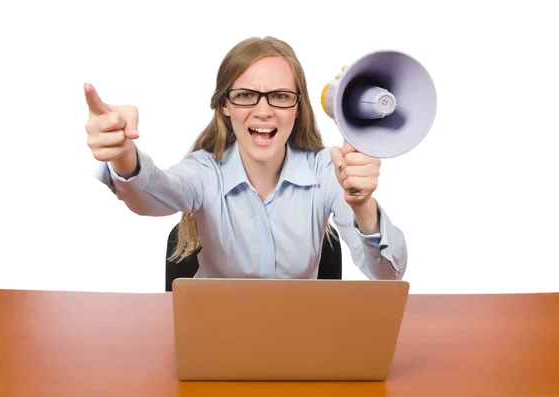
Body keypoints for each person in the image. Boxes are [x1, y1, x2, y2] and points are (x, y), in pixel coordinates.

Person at [84, 36, 407, 280]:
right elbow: (150, 197)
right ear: (225, 105)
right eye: (245, 96)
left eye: (280, 96)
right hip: (213, 339)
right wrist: (124, 152)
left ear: (297, 108)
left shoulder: (327, 171)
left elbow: (388, 276)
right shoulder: (204, 171)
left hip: (300, 341)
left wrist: (362, 204)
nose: (263, 111)